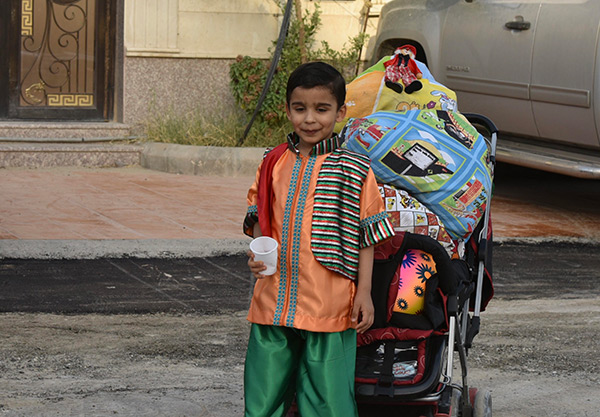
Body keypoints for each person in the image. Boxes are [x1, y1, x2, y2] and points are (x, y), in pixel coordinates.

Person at [242, 61, 394, 417]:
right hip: (273, 299)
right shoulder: (272, 162)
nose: (310, 119)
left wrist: (364, 293)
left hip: (330, 302)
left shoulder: (355, 169)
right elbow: (259, 215)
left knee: (328, 400)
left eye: (321, 109)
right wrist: (258, 253)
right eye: (300, 108)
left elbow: (367, 235)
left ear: (340, 112)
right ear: (288, 110)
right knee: (262, 394)